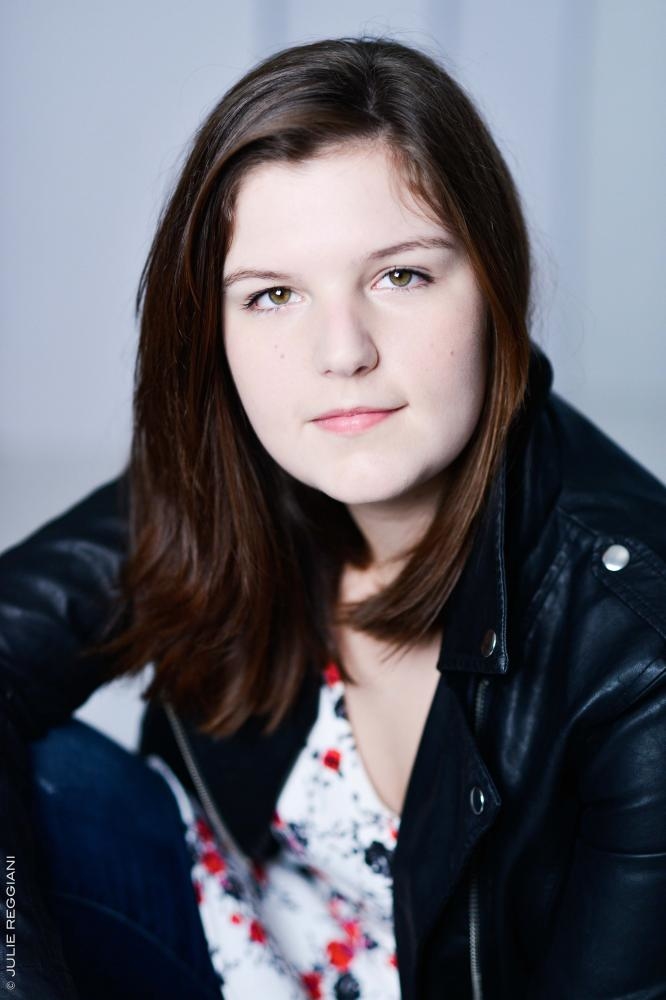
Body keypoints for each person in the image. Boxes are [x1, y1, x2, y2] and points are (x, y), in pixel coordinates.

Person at [1, 36, 665, 1000]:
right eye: (272, 295)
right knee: (47, 773)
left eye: (401, 276)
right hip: (215, 945)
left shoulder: (640, 654)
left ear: (496, 283)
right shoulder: (228, 477)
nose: (342, 351)